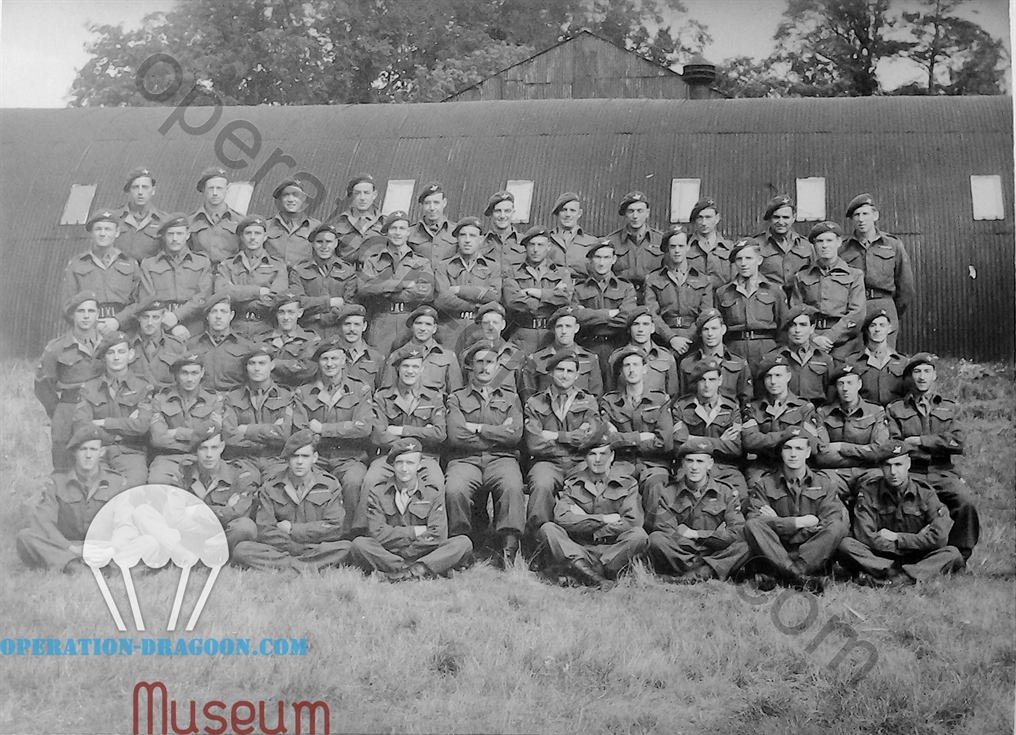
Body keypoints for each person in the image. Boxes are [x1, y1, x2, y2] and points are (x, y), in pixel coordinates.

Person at [886, 353, 979, 561]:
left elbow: (958, 442)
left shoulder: (949, 407)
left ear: (935, 376)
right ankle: (911, 554)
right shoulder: (895, 409)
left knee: (966, 503)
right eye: (917, 372)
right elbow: (895, 444)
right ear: (910, 377)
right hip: (912, 472)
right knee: (907, 507)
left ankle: (959, 555)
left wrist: (920, 441)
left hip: (943, 471)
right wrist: (939, 442)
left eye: (927, 371)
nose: (922, 377)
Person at [837, 439, 964, 586]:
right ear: (880, 467)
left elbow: (939, 538)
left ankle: (887, 579)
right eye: (888, 465)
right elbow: (865, 536)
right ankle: (906, 576)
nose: (893, 472)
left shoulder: (925, 493)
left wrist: (898, 538)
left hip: (917, 555)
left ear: (908, 464)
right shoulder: (868, 492)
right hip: (880, 556)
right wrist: (915, 540)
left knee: (952, 554)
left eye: (898, 465)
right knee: (845, 546)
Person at [444, 341, 526, 564]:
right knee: (455, 489)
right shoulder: (457, 398)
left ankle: (509, 549)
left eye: (490, 362)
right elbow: (456, 435)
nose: (484, 367)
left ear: (498, 365)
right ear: (470, 366)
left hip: (502, 459)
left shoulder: (511, 398)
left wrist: (478, 428)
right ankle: (461, 545)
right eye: (479, 361)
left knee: (512, 486)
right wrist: (498, 433)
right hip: (465, 460)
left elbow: (515, 435)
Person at [535, 429, 649, 588]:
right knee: (549, 529)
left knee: (639, 535)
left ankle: (582, 574)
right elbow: (561, 518)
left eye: (603, 454)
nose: (598, 460)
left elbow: (632, 522)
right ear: (585, 458)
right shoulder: (574, 483)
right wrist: (603, 519)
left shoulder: (628, 484)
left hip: (612, 550)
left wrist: (587, 524)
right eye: (592, 454)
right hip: (581, 549)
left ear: (612, 457)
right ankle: (597, 577)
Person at [349, 438, 473, 581]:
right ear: (392, 465)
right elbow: (377, 534)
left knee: (463, 543)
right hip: (390, 553)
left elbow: (438, 535)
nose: (404, 468)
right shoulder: (378, 491)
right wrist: (415, 531)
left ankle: (402, 571)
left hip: (424, 551)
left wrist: (408, 550)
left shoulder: (432, 492)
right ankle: (420, 570)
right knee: (359, 544)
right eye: (399, 463)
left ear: (419, 465)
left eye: (410, 463)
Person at [743, 430, 849, 593]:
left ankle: (788, 574)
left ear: (807, 452)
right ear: (781, 452)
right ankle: (797, 577)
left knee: (837, 526)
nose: (793, 454)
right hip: (775, 550)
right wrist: (798, 523)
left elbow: (829, 522)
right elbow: (754, 518)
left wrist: (778, 523)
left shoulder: (826, 484)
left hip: (811, 552)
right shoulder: (764, 484)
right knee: (752, 525)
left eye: (799, 449)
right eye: (788, 448)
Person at [233, 431, 355, 572]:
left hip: (314, 547)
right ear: (287, 459)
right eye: (295, 456)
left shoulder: (329, 485)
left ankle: (286, 566)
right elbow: (265, 530)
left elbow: (334, 527)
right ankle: (304, 566)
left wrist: (293, 529)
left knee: (346, 548)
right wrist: (294, 546)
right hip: (283, 549)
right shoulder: (271, 486)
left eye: (305, 456)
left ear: (314, 458)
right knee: (242, 550)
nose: (299, 462)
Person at [16, 426, 128, 572]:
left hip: (104, 546)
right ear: (75, 452)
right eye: (83, 449)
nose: (88, 455)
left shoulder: (117, 482)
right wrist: (73, 548)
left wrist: (112, 549)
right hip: (69, 545)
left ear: (102, 452)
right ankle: (80, 566)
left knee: (148, 542)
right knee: (25, 537)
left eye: (93, 450)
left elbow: (125, 523)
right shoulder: (56, 482)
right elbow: (44, 523)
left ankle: (74, 566)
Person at [292, 339, 373, 535]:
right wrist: (345, 430)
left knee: (353, 482)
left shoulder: (360, 389)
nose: (329, 364)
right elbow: (301, 430)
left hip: (349, 457)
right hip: (317, 457)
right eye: (324, 359)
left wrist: (323, 429)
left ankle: (352, 535)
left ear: (344, 360)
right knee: (304, 479)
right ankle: (315, 533)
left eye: (334, 358)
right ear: (318, 362)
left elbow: (363, 428)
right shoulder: (304, 392)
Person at [646, 439, 750, 583]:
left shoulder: (726, 492)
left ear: (710, 464)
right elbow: (665, 531)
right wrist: (709, 543)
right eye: (690, 461)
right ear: (683, 463)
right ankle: (708, 570)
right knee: (656, 539)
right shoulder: (668, 493)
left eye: (700, 461)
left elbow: (737, 532)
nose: (694, 467)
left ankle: (692, 575)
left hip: (714, 550)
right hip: (687, 552)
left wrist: (695, 535)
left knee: (744, 545)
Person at [523, 350, 604, 531]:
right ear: (551, 372)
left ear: (577, 375)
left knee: (588, 488)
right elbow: (534, 443)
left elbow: (591, 437)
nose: (564, 375)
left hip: (579, 462)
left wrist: (554, 435)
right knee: (541, 484)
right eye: (560, 370)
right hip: (547, 462)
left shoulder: (588, 401)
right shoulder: (535, 403)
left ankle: (580, 539)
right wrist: (572, 437)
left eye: (570, 371)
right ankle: (538, 539)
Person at [72, 330, 153, 488]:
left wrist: (103, 422)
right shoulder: (89, 388)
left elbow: (142, 426)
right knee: (94, 490)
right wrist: (125, 426)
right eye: (110, 352)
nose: (116, 357)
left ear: (130, 354)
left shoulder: (142, 387)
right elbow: (82, 425)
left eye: (121, 352)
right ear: (103, 357)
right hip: (97, 453)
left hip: (130, 453)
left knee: (132, 490)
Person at [364, 347, 447, 497]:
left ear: (422, 368)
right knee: (371, 481)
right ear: (397, 368)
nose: (410, 371)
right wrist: (423, 433)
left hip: (424, 457)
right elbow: (378, 435)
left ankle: (436, 521)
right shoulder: (383, 396)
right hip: (389, 457)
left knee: (436, 482)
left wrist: (402, 430)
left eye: (415, 366)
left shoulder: (434, 396)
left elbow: (439, 434)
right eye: (406, 366)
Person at [35, 292, 104, 470]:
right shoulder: (57, 347)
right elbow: (43, 385)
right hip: (70, 406)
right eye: (81, 311)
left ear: (98, 314)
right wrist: (59, 411)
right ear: (72, 315)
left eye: (91, 311)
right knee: (64, 461)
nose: (86, 316)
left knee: (102, 460)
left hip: (102, 408)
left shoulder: (107, 344)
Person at [600, 346, 672, 514]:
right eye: (627, 366)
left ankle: (655, 534)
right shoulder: (609, 402)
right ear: (621, 372)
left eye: (636, 365)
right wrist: (640, 437)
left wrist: (621, 439)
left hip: (654, 463)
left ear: (645, 369)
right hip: (621, 463)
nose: (632, 370)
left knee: (655, 486)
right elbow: (606, 439)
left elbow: (664, 443)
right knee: (614, 486)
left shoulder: (660, 400)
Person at [839, 193, 916, 346]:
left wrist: (892, 310)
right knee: (853, 356)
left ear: (875, 215)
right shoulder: (842, 247)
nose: (861, 219)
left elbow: (906, 286)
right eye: (856, 215)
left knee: (883, 355)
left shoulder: (892, 244)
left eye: (865, 214)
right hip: (853, 307)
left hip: (884, 305)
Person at [358, 210, 435, 355]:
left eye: (402, 228)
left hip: (409, 320)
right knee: (378, 363)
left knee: (409, 364)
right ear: (386, 232)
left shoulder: (421, 261)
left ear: (408, 232)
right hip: (381, 320)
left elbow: (427, 292)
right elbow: (364, 288)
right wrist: (403, 284)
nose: (398, 233)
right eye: (393, 228)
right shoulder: (373, 261)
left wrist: (384, 289)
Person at [671, 357, 747, 499]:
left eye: (712, 380)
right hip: (690, 466)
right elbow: (679, 444)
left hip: (724, 467)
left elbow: (736, 447)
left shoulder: (731, 408)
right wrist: (720, 441)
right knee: (680, 496)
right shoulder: (682, 407)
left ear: (720, 381)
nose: (707, 385)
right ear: (696, 382)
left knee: (740, 495)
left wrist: (693, 439)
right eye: (702, 380)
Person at [742, 353, 824, 484]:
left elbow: (813, 444)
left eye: (778, 376)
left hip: (795, 466)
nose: (773, 381)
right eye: (768, 376)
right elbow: (749, 441)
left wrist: (767, 440)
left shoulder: (804, 408)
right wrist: (787, 435)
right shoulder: (753, 408)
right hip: (763, 466)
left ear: (788, 377)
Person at [59, 209, 142, 337]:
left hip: (123, 332)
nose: (103, 234)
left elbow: (138, 301)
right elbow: (68, 306)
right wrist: (95, 324)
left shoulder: (131, 264)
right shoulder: (77, 264)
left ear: (117, 232)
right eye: (98, 229)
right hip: (89, 332)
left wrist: (117, 321)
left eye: (108, 229)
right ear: (91, 233)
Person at [790, 221, 865, 359]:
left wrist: (830, 337)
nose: (824, 245)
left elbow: (857, 313)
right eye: (819, 241)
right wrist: (813, 337)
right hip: (811, 341)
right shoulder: (802, 276)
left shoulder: (854, 275)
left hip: (844, 343)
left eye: (829, 240)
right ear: (813, 245)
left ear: (838, 242)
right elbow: (795, 310)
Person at [147, 353, 226, 484]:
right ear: (177, 375)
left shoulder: (213, 399)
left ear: (202, 373)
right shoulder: (161, 399)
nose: (190, 379)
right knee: (158, 484)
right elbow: (157, 438)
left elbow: (215, 430)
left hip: (203, 456)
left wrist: (177, 433)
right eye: (184, 373)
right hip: (169, 457)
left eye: (194, 373)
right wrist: (198, 435)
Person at [222, 345, 296, 483]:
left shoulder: (286, 396)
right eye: (252, 363)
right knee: (244, 483)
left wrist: (247, 429)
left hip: (276, 460)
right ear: (246, 367)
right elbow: (229, 435)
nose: (257, 368)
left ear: (272, 365)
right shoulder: (233, 397)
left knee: (278, 486)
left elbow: (285, 433)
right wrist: (269, 434)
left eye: (262, 363)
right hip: (244, 460)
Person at [178, 426, 259, 551]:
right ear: (195, 451)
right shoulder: (185, 473)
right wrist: (224, 510)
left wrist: (196, 511)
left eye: (214, 448)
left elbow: (239, 512)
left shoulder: (239, 474)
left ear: (222, 447)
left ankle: (204, 551)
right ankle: (210, 551)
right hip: (195, 530)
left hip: (223, 533)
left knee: (245, 527)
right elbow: (175, 513)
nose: (209, 455)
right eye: (203, 448)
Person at [138, 213, 214, 340]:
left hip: (193, 326)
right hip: (160, 326)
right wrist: (171, 326)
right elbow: (147, 299)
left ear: (188, 235)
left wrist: (176, 316)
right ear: (163, 236)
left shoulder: (202, 262)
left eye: (179, 234)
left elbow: (203, 298)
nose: (174, 239)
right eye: (170, 234)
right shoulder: (149, 264)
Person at [813, 364, 890, 491]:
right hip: (834, 473)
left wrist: (841, 447)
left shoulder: (876, 412)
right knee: (823, 485)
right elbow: (822, 455)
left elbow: (879, 451)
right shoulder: (823, 413)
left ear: (859, 384)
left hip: (868, 472)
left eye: (850, 383)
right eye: (841, 384)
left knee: (877, 481)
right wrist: (863, 456)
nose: (845, 388)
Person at [715, 239, 786, 372]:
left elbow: (784, 326)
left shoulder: (773, 290)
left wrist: (776, 354)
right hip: (734, 349)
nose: (743, 264)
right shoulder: (723, 292)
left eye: (748, 258)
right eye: (739, 259)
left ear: (759, 260)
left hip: (766, 349)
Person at [643, 225, 713, 360]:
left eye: (681, 246)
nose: (677, 251)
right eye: (672, 246)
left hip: (694, 340)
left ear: (688, 247)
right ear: (667, 249)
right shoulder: (653, 279)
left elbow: (705, 315)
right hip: (663, 341)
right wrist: (671, 338)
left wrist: (687, 339)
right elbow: (651, 314)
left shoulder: (703, 279)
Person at [214, 215, 288, 341]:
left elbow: (276, 299)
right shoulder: (228, 265)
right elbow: (221, 294)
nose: (253, 237)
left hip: (266, 328)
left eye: (257, 233)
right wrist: (259, 292)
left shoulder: (278, 266)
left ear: (265, 237)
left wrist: (237, 294)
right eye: (248, 233)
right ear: (242, 237)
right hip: (234, 327)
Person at [503, 225, 574, 355]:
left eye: (540, 245)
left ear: (549, 246)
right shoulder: (513, 271)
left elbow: (565, 299)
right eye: (532, 245)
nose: (535, 250)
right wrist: (551, 299)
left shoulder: (561, 272)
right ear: (525, 247)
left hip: (551, 335)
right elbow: (513, 301)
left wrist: (537, 293)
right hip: (523, 334)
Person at [434, 216, 502, 349]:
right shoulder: (444, 266)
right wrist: (475, 306)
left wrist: (459, 290)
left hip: (479, 328)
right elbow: (441, 299)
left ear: (481, 239)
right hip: (451, 326)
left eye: (472, 236)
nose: (467, 240)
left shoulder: (492, 267)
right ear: (457, 239)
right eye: (462, 235)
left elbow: (494, 296)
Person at [574, 240, 637, 382]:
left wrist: (590, 316)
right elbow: (576, 318)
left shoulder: (625, 287)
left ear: (614, 259)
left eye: (606, 257)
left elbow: (626, 318)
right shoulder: (579, 289)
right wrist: (609, 314)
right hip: (587, 346)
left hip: (617, 347)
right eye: (598, 257)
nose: (602, 263)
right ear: (590, 260)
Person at [288, 223, 359, 340]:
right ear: (313, 244)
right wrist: (329, 302)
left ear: (336, 243)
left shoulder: (347, 270)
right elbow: (298, 302)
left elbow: (349, 304)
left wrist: (321, 316)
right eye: (320, 242)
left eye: (329, 242)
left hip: (338, 331)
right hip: (308, 330)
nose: (324, 246)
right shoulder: (299, 271)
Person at [521, 306, 603, 402]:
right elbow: (528, 397)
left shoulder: (590, 359)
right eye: (559, 326)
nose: (563, 331)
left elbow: (596, 396)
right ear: (553, 329)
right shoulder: (535, 359)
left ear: (576, 328)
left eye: (568, 326)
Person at [678, 308, 753, 409]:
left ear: (723, 330)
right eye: (705, 329)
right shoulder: (688, 364)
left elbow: (746, 401)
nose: (710, 334)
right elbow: (683, 400)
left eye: (714, 328)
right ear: (700, 333)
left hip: (730, 419)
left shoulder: (738, 363)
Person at [380, 305, 464, 394]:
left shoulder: (448, 356)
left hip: (437, 406)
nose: (423, 329)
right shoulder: (397, 355)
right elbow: (387, 393)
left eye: (428, 324)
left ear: (434, 328)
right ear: (412, 327)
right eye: (418, 323)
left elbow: (456, 394)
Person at [187, 293, 258, 392]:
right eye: (214, 312)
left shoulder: (245, 346)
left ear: (231, 315)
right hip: (203, 401)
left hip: (234, 402)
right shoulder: (192, 345)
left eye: (223, 312)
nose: (218, 316)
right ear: (207, 316)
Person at [763, 304, 831, 406]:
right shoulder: (774, 357)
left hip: (815, 413)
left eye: (803, 325)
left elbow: (831, 396)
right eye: (793, 325)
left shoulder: (824, 358)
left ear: (812, 328)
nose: (797, 330)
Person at [605, 307, 679, 395]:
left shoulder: (666, 357)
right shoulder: (616, 357)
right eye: (636, 324)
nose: (640, 329)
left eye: (645, 324)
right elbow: (611, 393)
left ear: (652, 328)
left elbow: (673, 394)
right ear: (629, 329)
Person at [841, 308, 908, 407]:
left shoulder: (902, 362)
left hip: (895, 416)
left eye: (882, 325)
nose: (877, 329)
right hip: (866, 417)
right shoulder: (853, 361)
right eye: (873, 325)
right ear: (866, 330)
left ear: (889, 329)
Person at [751, 194, 814, 298]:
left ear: (793, 218)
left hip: (799, 301)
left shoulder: (807, 245)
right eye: (776, 217)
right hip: (768, 301)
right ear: (770, 218)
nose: (781, 222)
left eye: (786, 217)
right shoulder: (756, 244)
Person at [605, 190, 663, 295]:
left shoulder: (660, 240)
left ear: (647, 213)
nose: (635, 216)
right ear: (625, 214)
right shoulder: (612, 241)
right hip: (622, 298)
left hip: (653, 298)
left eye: (640, 211)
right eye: (631, 211)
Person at [262, 292, 320, 387]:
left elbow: (308, 368)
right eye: (281, 312)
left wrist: (274, 364)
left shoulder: (310, 338)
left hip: (298, 392)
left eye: (291, 312)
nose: (286, 317)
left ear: (300, 313)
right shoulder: (262, 339)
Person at [188, 166, 243, 266]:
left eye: (219, 188)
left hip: (229, 276)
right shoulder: (190, 222)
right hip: (200, 276)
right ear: (203, 190)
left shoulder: (240, 221)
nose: (215, 193)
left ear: (227, 189)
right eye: (211, 188)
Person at [127, 299, 188, 388]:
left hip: (166, 398)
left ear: (163, 318)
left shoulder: (176, 346)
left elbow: (184, 379)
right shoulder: (128, 345)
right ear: (138, 318)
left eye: (155, 317)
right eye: (145, 317)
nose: (150, 323)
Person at [467, 303, 526, 394]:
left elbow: (522, 390)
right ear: (480, 325)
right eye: (486, 323)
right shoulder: (467, 355)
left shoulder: (516, 355)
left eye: (495, 323)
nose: (491, 327)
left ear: (503, 325)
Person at [114, 167, 168, 263]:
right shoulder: (114, 219)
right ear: (128, 191)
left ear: (153, 190)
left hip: (150, 276)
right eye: (135, 187)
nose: (140, 192)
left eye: (145, 187)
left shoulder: (164, 221)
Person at [265, 178, 321, 267]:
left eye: (296, 195)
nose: (290, 199)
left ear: (303, 198)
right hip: (274, 278)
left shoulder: (316, 227)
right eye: (286, 195)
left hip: (302, 279)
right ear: (280, 199)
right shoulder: (266, 226)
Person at [332, 174, 383, 264]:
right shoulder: (337, 223)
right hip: (346, 275)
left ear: (374, 195)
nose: (362, 198)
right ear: (351, 195)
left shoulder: (385, 223)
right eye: (357, 193)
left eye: (366, 193)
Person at [332, 304, 385, 390]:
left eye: (356, 324)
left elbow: (381, 392)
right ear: (341, 326)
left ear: (364, 326)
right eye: (347, 324)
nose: (352, 329)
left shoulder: (376, 357)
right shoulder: (331, 355)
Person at [547, 192, 599, 277]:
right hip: (553, 287)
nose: (568, 214)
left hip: (583, 287)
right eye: (563, 210)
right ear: (557, 213)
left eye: (572, 210)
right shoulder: (546, 240)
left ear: (579, 213)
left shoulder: (593, 242)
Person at [687, 197, 733, 286]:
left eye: (708, 217)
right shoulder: (685, 246)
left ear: (717, 218)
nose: (704, 223)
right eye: (699, 218)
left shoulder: (729, 247)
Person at [409, 181, 457, 264]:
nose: (432, 208)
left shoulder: (457, 231)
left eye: (436, 203)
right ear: (422, 205)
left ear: (444, 203)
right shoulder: (410, 233)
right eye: (427, 203)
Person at [483, 190, 522, 269]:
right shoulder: (481, 243)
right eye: (498, 211)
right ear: (491, 213)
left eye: (507, 211)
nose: (502, 216)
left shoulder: (524, 242)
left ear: (513, 213)